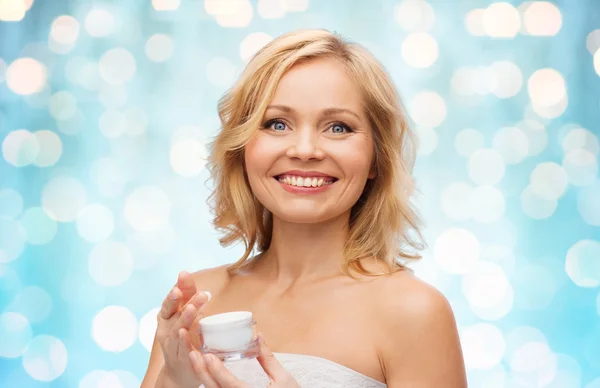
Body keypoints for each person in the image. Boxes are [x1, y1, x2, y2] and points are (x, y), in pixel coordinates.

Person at [141, 29, 467, 388]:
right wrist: (173, 379)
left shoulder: (414, 312)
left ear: (376, 158)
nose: (305, 149)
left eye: (338, 127)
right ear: (242, 148)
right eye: (277, 124)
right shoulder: (199, 303)